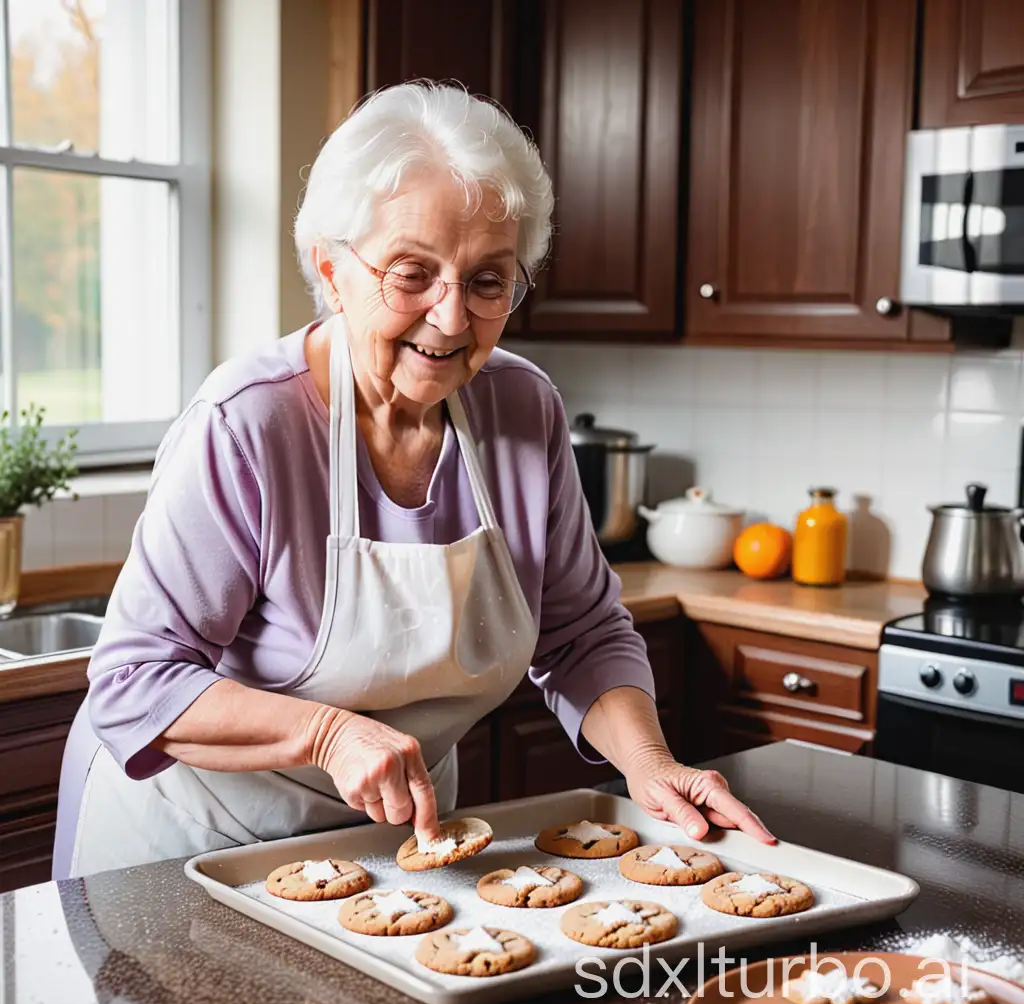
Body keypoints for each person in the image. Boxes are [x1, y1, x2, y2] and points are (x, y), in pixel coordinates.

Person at [53, 81, 774, 879]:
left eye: (489, 280)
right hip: (192, 849)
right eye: (412, 273)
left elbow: (582, 634)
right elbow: (133, 682)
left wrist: (647, 763)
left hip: (401, 851)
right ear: (333, 269)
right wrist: (329, 734)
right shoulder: (246, 425)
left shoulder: (524, 411)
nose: (452, 317)